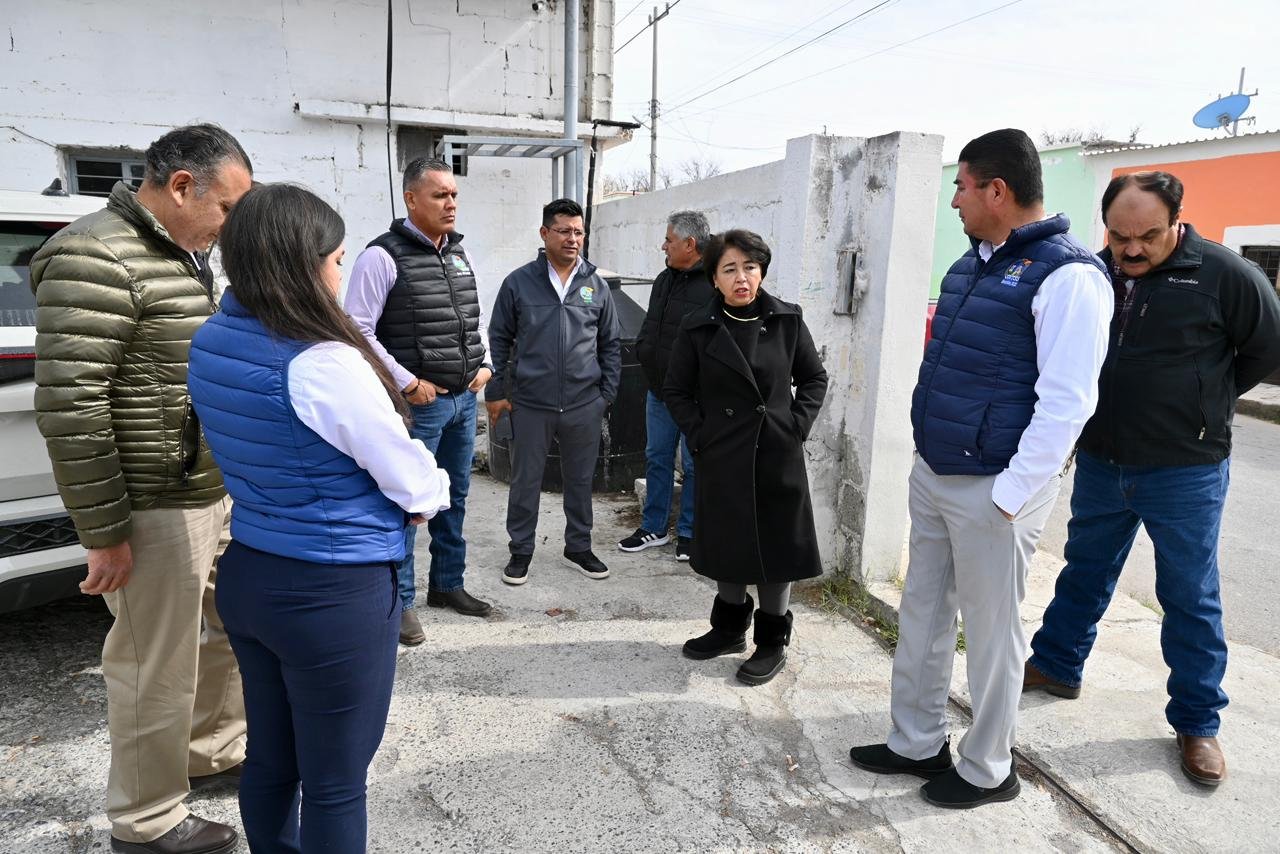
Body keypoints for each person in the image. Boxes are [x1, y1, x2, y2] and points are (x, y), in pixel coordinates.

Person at [848, 128, 1112, 809]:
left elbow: (1068, 403)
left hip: (996, 488)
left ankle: (990, 768)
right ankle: (916, 741)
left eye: (961, 187)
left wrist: (1011, 495)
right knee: (923, 612)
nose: (955, 201)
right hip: (938, 472)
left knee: (993, 635)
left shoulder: (1070, 276)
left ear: (997, 190)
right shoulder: (971, 266)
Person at [187, 184, 451, 853]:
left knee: (272, 758)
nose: (340, 274)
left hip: (251, 571)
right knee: (334, 782)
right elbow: (413, 482)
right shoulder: (322, 362)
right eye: (336, 260)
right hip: (332, 591)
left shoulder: (212, 337)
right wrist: (431, 493)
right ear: (301, 266)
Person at [31, 124, 252, 854]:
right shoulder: (94, 254)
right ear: (182, 187)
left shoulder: (182, 253)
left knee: (221, 632)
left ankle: (209, 752)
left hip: (204, 488)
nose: (230, 227)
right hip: (151, 503)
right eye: (227, 208)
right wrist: (104, 533)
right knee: (155, 662)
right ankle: (147, 820)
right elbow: (73, 406)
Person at [1024, 171, 1280, 787]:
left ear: (1177, 221)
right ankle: (1056, 665)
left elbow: (1266, 350)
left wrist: (1206, 400)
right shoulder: (1095, 271)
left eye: (1148, 236)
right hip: (1103, 459)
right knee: (1084, 570)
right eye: (1119, 236)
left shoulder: (1226, 275)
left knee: (1189, 595)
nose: (1131, 249)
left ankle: (1197, 721)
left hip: (1186, 469)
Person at [663, 228, 828, 686]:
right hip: (723, 454)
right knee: (726, 542)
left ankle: (771, 641)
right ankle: (728, 629)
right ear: (714, 278)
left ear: (762, 272)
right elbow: (676, 390)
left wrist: (795, 426)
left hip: (776, 452)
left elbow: (813, 379)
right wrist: (701, 436)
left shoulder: (788, 320)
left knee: (777, 547)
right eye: (730, 269)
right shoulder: (697, 326)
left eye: (750, 267)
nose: (742, 278)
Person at [346, 157, 493, 645]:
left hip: (463, 400)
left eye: (454, 195)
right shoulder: (381, 256)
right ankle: (402, 602)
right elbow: (357, 330)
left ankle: (447, 583)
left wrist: (485, 365)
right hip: (419, 405)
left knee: (454, 497)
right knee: (409, 502)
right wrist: (407, 382)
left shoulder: (459, 253)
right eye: (440, 195)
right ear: (411, 199)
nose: (451, 203)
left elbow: (470, 319)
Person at [485, 198, 621, 586]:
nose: (572, 239)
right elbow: (499, 339)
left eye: (578, 232)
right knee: (525, 481)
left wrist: (605, 394)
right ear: (545, 233)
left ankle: (578, 547)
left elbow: (610, 343)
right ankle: (521, 551)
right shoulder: (518, 283)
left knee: (580, 480)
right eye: (563, 231)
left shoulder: (596, 285)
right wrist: (500, 390)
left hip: (583, 403)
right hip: (530, 403)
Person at [618, 210, 713, 561]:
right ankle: (654, 528)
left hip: (695, 398)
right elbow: (651, 324)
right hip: (659, 391)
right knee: (656, 458)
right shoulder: (664, 279)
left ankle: (689, 533)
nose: (663, 246)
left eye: (669, 240)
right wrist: (644, 350)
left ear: (690, 244)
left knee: (694, 465)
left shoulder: (714, 284)